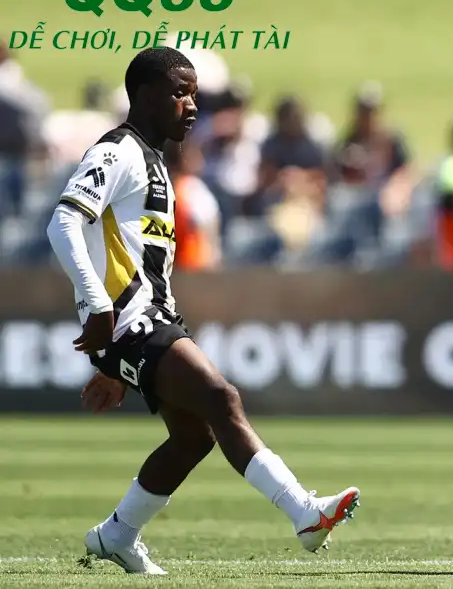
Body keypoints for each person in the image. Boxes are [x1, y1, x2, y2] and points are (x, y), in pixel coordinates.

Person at [46, 47, 360, 576]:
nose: (192, 106)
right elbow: (63, 221)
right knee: (221, 397)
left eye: (194, 95)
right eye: (180, 93)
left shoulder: (155, 161)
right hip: (130, 320)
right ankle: (304, 513)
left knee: (195, 436)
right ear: (146, 95)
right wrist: (98, 306)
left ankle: (117, 535)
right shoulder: (119, 150)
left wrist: (113, 363)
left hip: (147, 319)